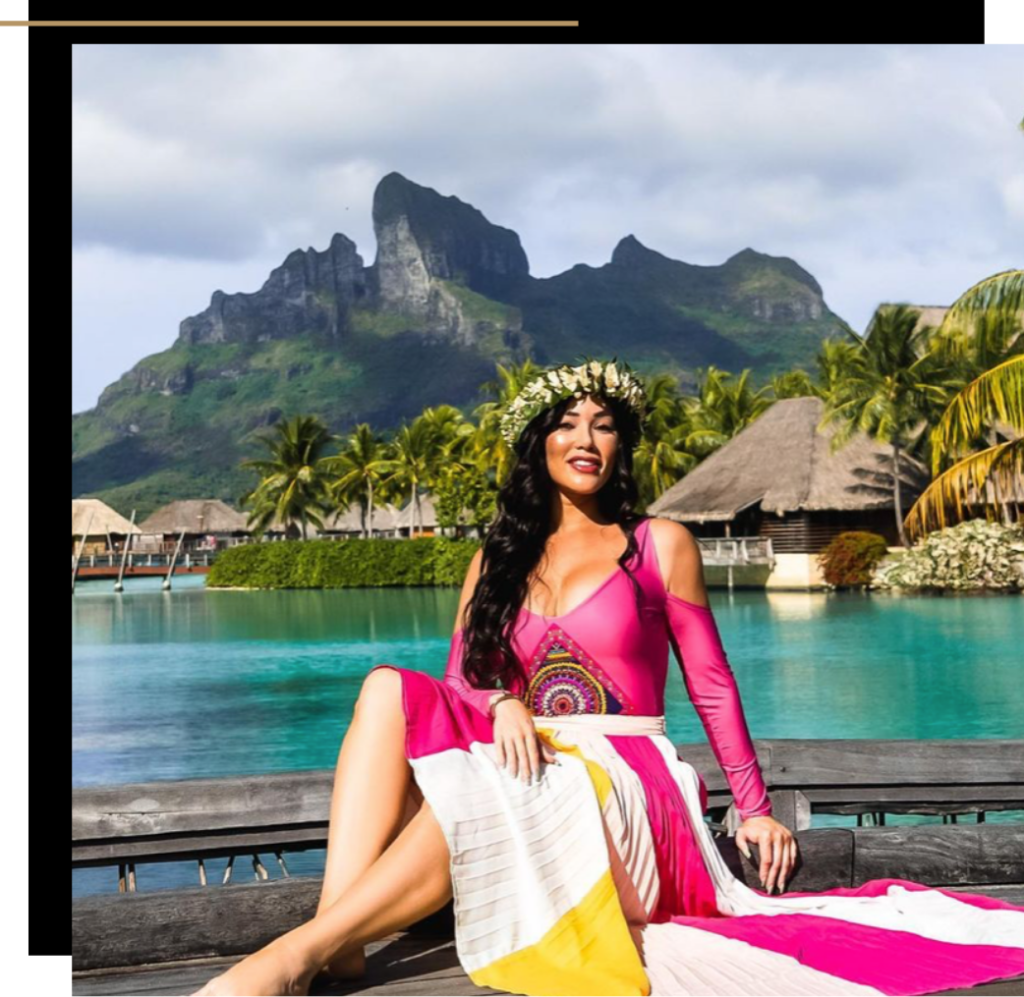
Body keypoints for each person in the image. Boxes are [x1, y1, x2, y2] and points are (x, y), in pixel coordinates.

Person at [191, 358, 1024, 996]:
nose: (586, 440)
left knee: (531, 781)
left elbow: (712, 682)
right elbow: (456, 682)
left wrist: (757, 807)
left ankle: (293, 953)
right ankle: (341, 939)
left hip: (628, 778)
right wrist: (502, 699)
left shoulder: (658, 544)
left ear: (622, 444)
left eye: (604, 425)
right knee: (382, 685)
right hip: (519, 754)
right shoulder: (497, 558)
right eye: (566, 423)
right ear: (537, 442)